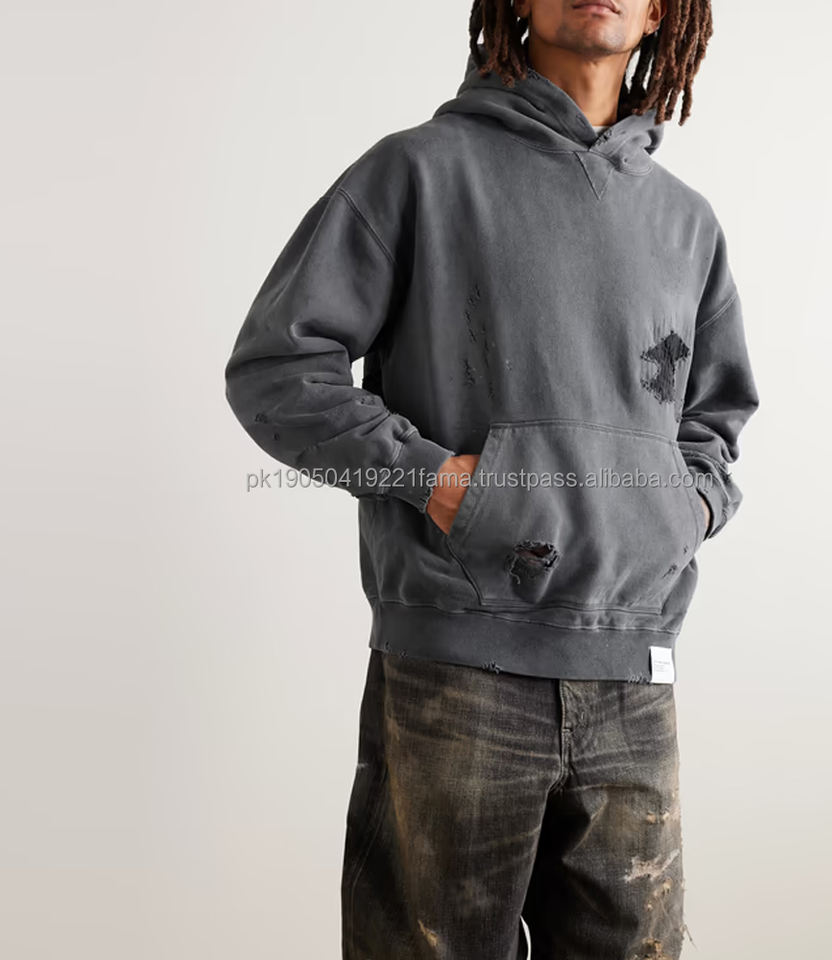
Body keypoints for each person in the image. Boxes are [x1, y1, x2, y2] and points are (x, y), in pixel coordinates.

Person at [224, 0, 759, 956]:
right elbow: (277, 370)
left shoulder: (687, 223)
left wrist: (678, 514)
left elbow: (714, 424)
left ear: (663, 12)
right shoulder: (418, 172)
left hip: (633, 676)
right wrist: (436, 483)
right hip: (458, 673)